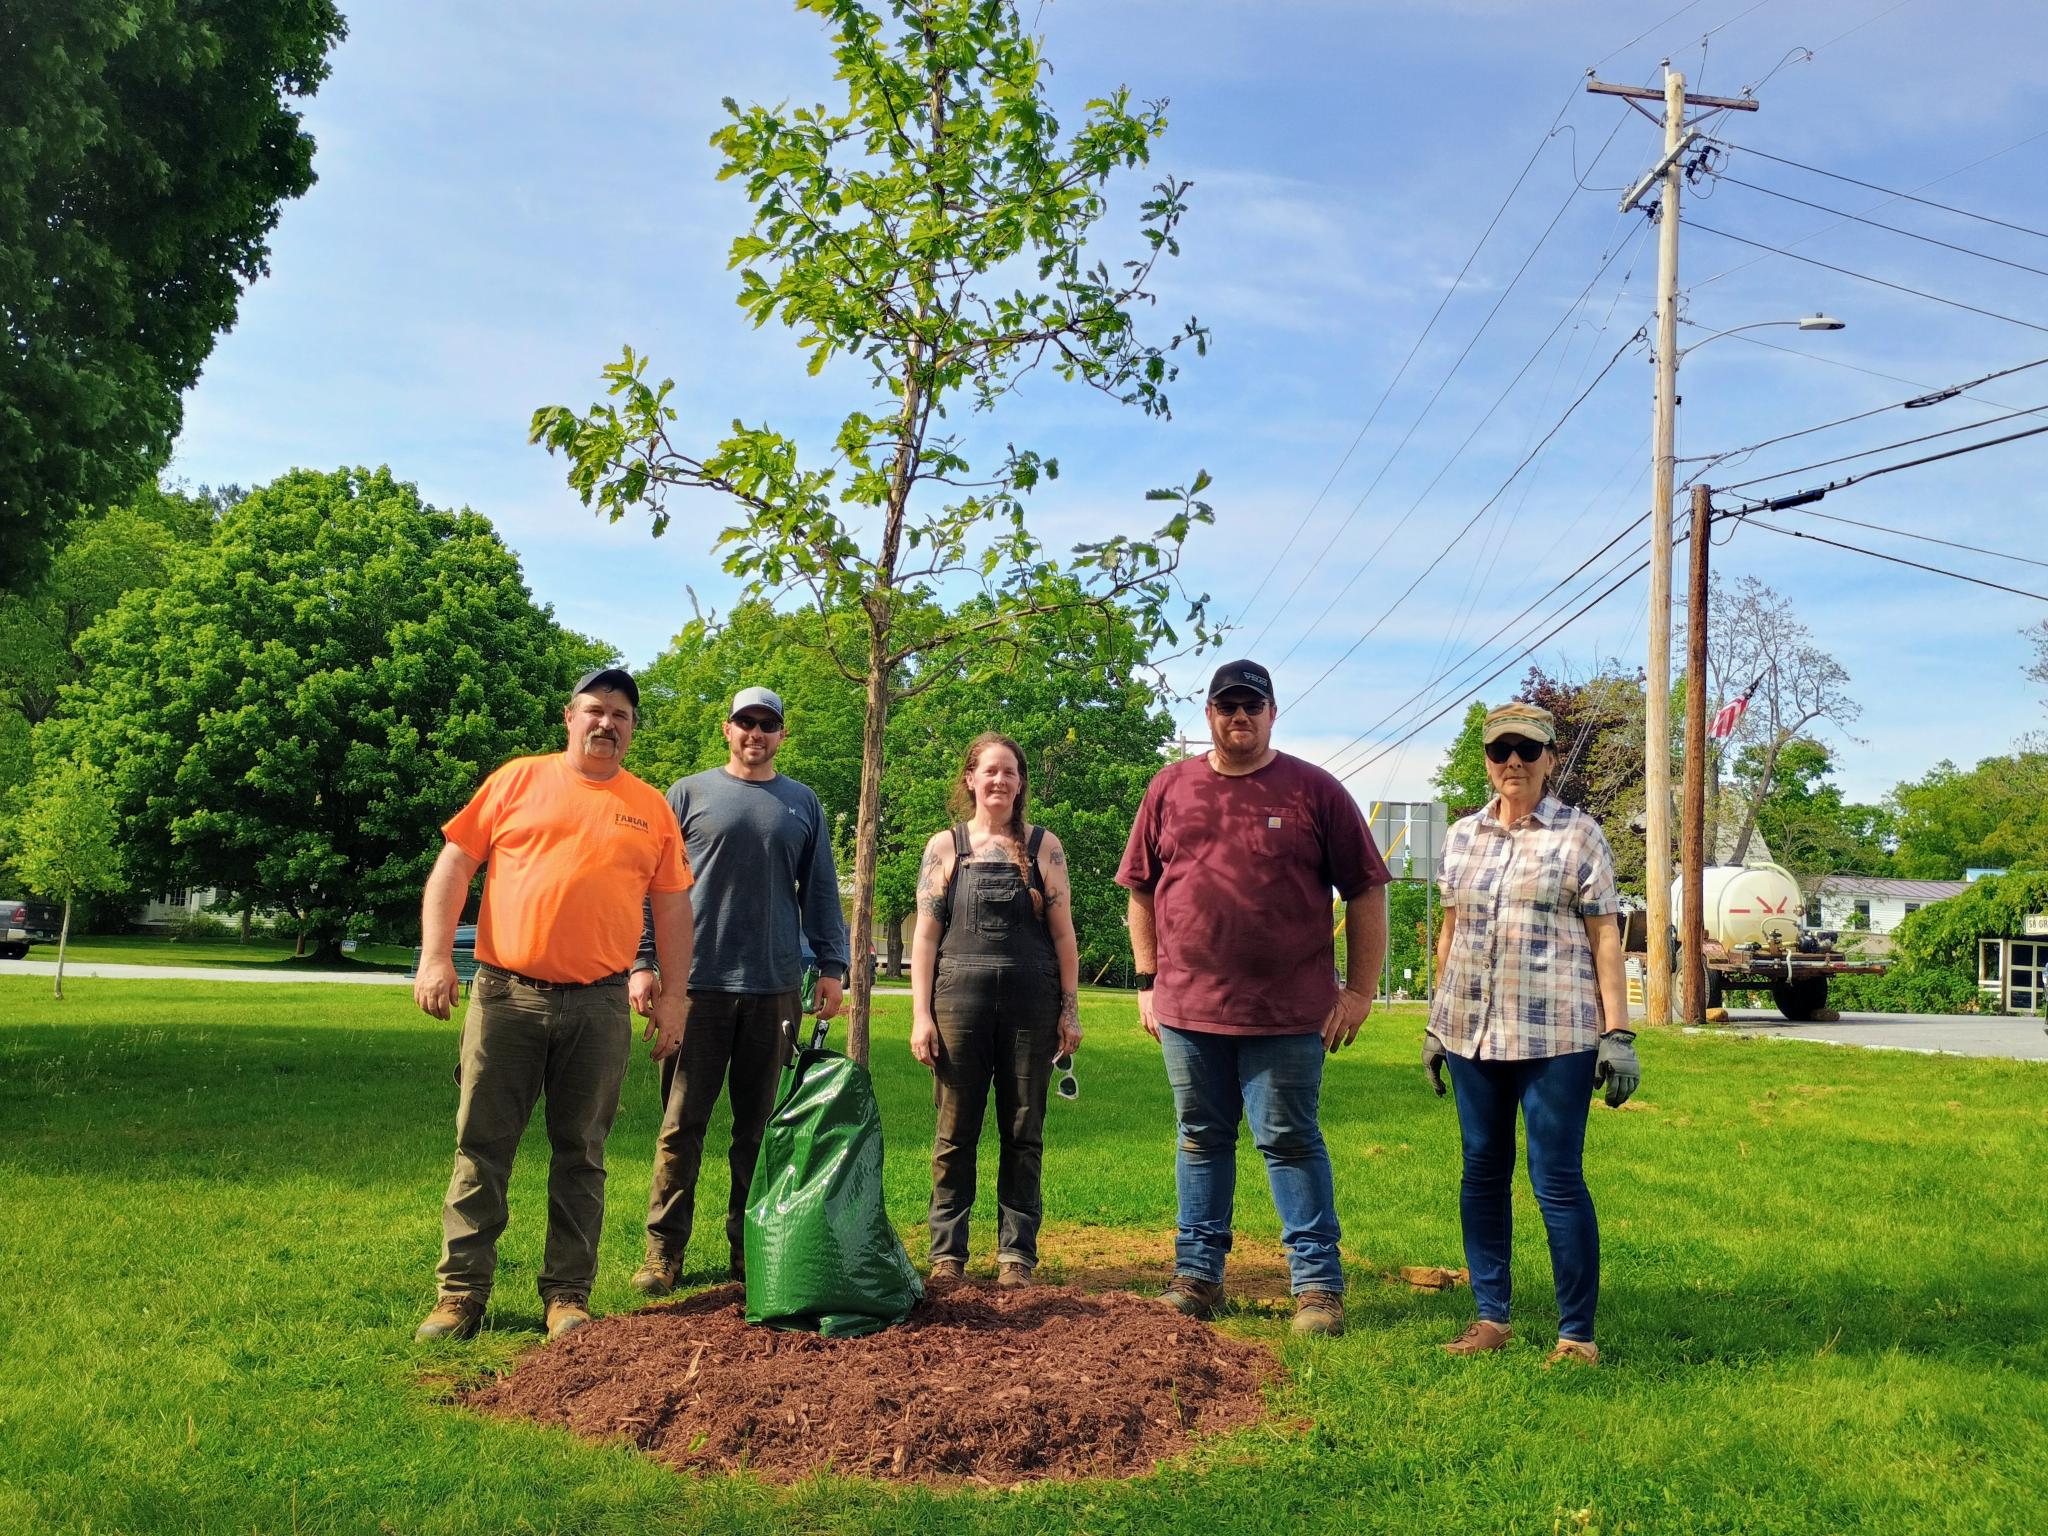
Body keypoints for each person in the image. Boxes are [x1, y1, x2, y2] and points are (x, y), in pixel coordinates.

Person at [413, 667, 693, 1343]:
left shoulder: (650, 807)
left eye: (621, 715)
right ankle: (461, 1295)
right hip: (507, 995)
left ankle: (567, 1295)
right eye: (595, 710)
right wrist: (432, 956)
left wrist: (676, 996)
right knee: (482, 1147)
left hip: (599, 1004)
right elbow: (455, 863)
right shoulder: (516, 780)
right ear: (569, 717)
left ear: (631, 728)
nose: (607, 724)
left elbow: (674, 905)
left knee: (582, 1154)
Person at [1116, 659, 1390, 1337]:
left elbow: (1366, 888)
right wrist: (1148, 981)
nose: (1239, 717)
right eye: (1226, 706)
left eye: (1252, 706)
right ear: (1208, 714)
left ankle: (1318, 1290)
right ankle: (1197, 1278)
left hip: (1289, 1013)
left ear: (1273, 713)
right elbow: (1140, 888)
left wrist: (1359, 991)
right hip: (1187, 1010)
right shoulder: (1170, 788)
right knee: (1202, 1141)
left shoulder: (1314, 791)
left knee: (1290, 1140)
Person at [1425, 699, 1637, 1368]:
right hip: (1473, 1035)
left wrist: (1619, 1032)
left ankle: (1577, 1335)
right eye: (1499, 750)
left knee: (1557, 1179)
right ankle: (1491, 1317)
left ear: (1550, 757)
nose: (1512, 761)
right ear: (1486, 761)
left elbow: (1607, 935)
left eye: (1527, 749)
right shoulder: (1462, 836)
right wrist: (1437, 1024)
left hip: (1556, 1037)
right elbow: (1451, 931)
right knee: (1482, 1172)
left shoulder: (1580, 836)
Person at [626, 685, 850, 1295]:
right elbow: (654, 886)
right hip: (695, 987)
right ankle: (662, 1253)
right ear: (726, 729)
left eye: (767, 725)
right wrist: (644, 962)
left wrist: (833, 965)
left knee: (758, 1130)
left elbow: (822, 891)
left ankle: (749, 1248)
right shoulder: (689, 794)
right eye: (745, 723)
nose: (755, 734)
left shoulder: (802, 803)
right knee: (681, 1124)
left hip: (775, 988)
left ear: (781, 734)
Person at [908, 732, 1081, 1288]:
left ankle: (1016, 1257)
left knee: (1023, 1129)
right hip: (958, 1000)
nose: (1000, 781)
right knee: (954, 1132)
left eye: (1010, 772)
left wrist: (1069, 1011)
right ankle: (947, 1256)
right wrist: (921, 1016)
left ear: (1021, 782)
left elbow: (1064, 936)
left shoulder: (1043, 847)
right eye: (990, 771)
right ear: (971, 779)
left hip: (1033, 1002)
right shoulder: (945, 847)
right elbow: (926, 939)